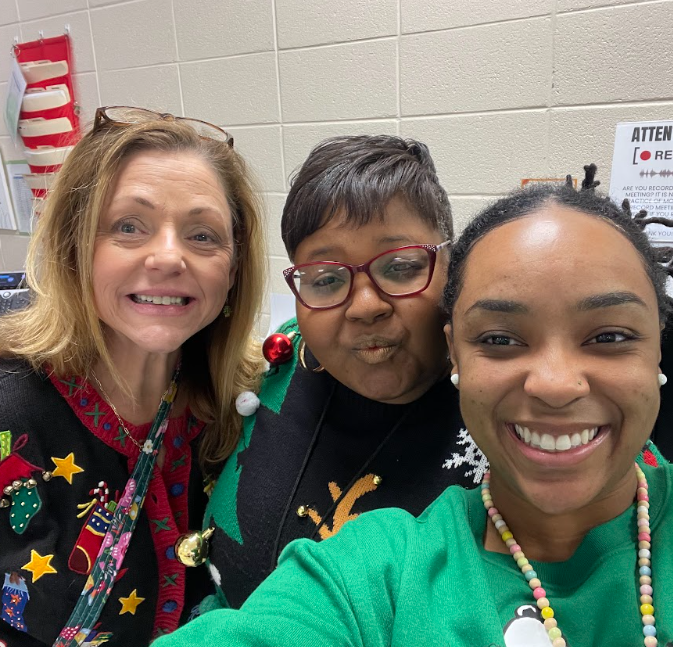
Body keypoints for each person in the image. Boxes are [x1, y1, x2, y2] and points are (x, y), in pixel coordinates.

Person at [157, 179, 673, 647]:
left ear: (658, 348)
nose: (556, 384)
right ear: (456, 353)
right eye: (501, 339)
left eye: (609, 335)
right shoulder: (374, 577)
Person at [0, 107, 266, 646]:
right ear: (75, 248)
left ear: (234, 269)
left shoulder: (241, 405)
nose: (169, 257)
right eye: (129, 226)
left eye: (203, 235)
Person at [196, 135, 485, 610]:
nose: (365, 306)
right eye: (327, 279)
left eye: (400, 267)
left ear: (452, 267)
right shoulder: (279, 362)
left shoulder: (498, 416)